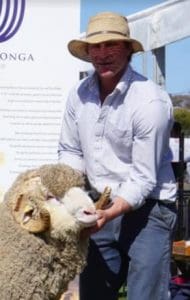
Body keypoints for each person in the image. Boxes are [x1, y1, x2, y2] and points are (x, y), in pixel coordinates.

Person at [58, 11, 177, 300]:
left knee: (145, 296)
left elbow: (143, 178)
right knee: (94, 293)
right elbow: (71, 151)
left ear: (128, 49)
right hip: (98, 204)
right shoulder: (78, 95)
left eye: (111, 45)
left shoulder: (150, 101)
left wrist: (107, 213)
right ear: (87, 53)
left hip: (150, 208)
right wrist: (72, 200)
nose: (102, 53)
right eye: (95, 46)